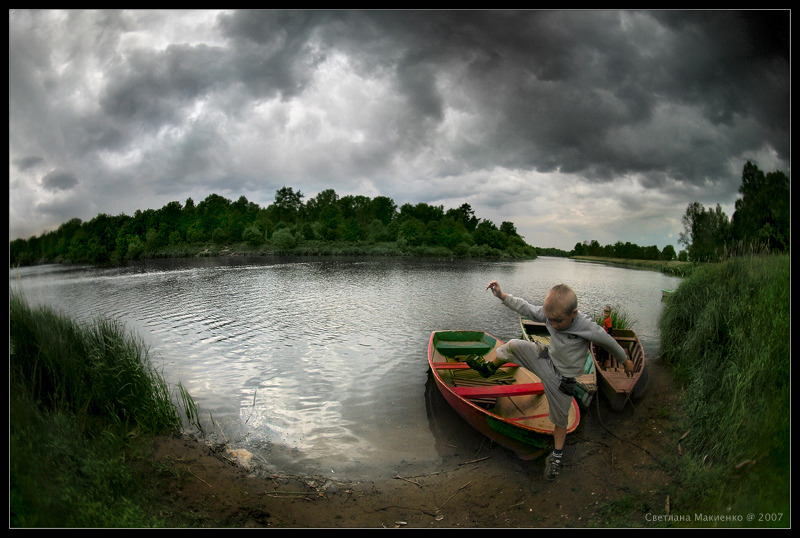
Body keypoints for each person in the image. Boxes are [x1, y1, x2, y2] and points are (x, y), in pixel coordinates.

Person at [467, 281, 633, 481]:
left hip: (563, 381)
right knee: (513, 345)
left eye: (558, 321)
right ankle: (488, 369)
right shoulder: (551, 316)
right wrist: (502, 296)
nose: (552, 325)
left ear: (573, 314)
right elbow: (525, 307)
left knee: (560, 420)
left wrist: (625, 361)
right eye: (550, 320)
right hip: (546, 360)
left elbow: (609, 342)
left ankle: (556, 455)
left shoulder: (587, 326)